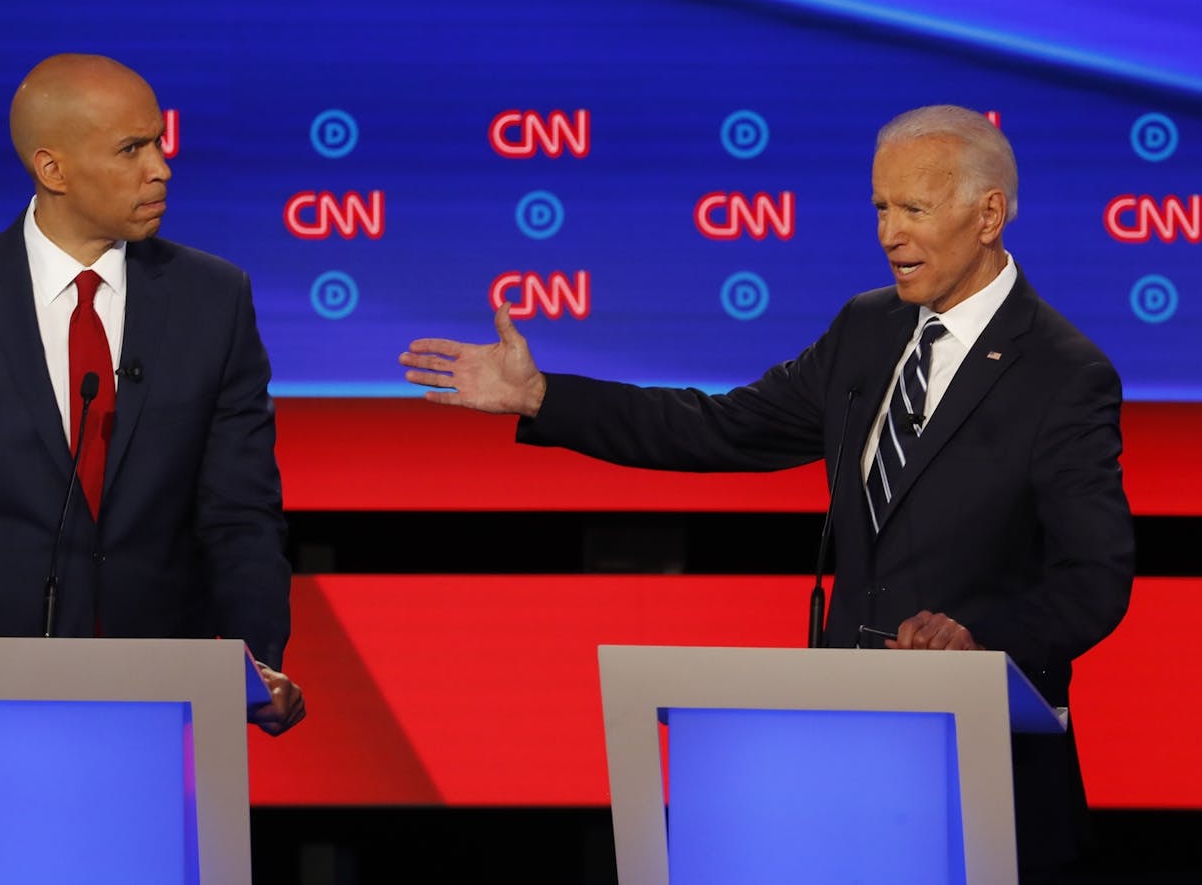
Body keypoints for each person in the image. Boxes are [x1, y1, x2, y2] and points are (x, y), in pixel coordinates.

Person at [399, 105, 1132, 880]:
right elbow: (719, 427)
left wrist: (979, 640)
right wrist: (545, 395)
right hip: (844, 768)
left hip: (989, 781)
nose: (890, 233)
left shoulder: (1062, 374)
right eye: (881, 207)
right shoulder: (867, 329)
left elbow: (1095, 578)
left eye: (914, 208)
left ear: (988, 215)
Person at [0, 53, 303, 735]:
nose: (161, 168)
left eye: (160, 143)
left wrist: (258, 655)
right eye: (133, 148)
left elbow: (241, 514)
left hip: (156, 711)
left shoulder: (214, 302)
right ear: (53, 169)